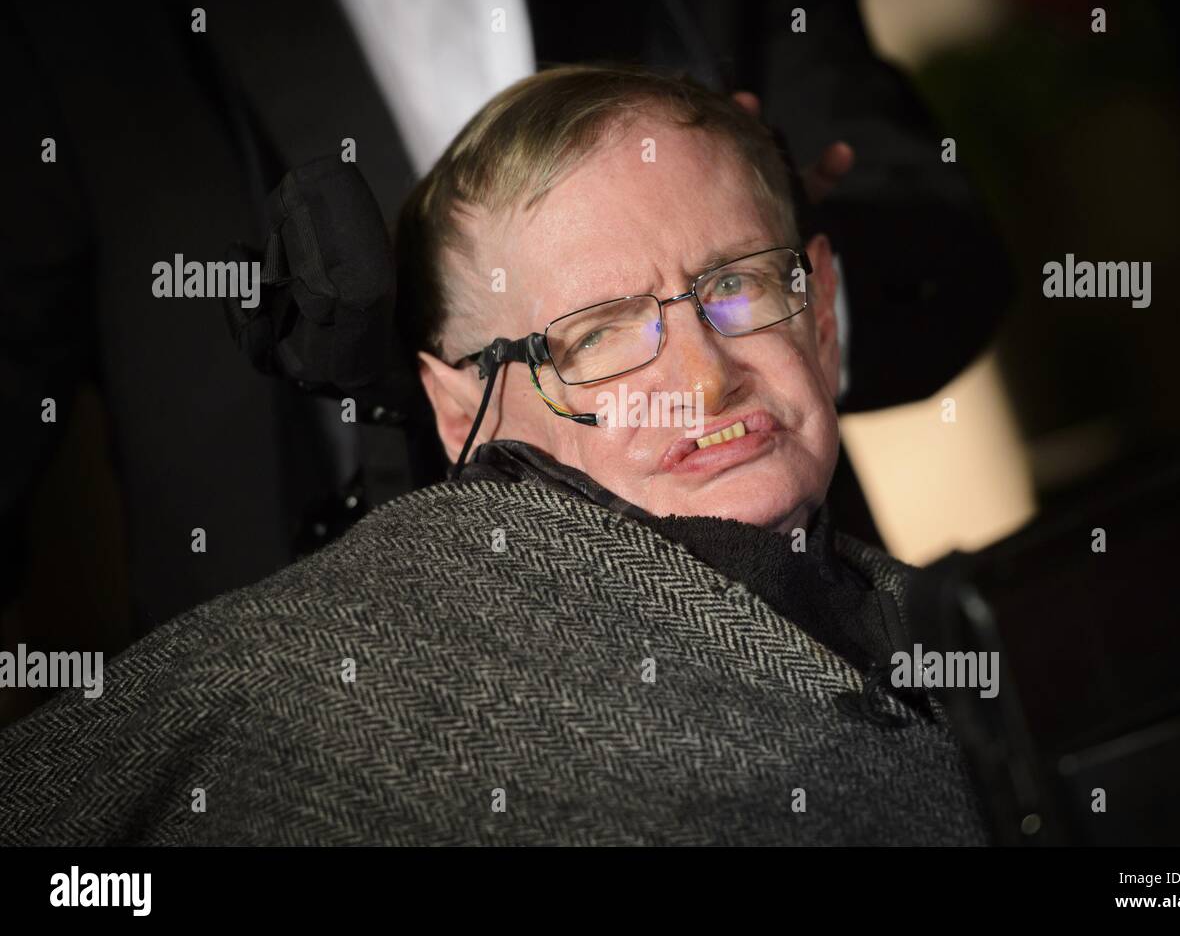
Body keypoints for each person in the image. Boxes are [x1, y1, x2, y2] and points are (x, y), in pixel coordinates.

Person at [0, 66, 988, 846]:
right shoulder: (296, 693)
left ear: (819, 307)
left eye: (735, 286)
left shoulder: (974, 643)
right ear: (460, 399)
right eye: (596, 336)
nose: (704, 376)